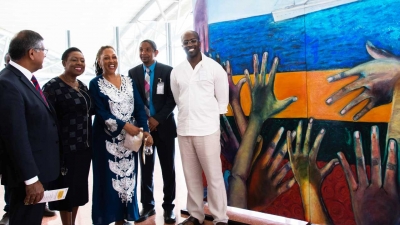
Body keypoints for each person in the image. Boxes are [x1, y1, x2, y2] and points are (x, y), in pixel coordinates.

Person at [0, 30, 60, 225]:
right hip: (27, 178)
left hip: (39, 169)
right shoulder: (8, 83)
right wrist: (31, 180)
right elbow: (15, 137)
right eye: (43, 50)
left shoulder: (25, 80)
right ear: (31, 52)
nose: (45, 54)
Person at [89, 45, 153, 225]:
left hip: (129, 142)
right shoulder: (95, 84)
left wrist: (145, 130)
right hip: (106, 141)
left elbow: (139, 108)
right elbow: (101, 113)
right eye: (106, 58)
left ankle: (124, 218)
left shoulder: (129, 81)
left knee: (128, 180)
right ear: (99, 61)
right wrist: (125, 125)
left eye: (114, 57)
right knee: (108, 181)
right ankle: (110, 217)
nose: (111, 61)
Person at [170, 30, 229, 225]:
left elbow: (222, 101)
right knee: (191, 176)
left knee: (214, 176)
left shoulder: (214, 68)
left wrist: (209, 119)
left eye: (193, 40)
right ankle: (196, 215)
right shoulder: (177, 71)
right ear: (182, 45)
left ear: (199, 42)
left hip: (207, 130)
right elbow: (178, 99)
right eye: (186, 41)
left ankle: (220, 218)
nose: (190, 44)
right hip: (185, 129)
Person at [42, 47, 93, 225]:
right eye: (74, 60)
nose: (79, 63)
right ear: (64, 63)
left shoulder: (83, 86)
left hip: (84, 148)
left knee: (78, 191)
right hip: (64, 150)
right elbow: (47, 120)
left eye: (82, 60)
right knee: (65, 191)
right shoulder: (52, 87)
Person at [128, 40, 177, 224]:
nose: (144, 53)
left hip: (164, 128)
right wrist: (145, 123)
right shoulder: (133, 73)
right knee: (145, 169)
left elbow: (172, 99)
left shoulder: (168, 71)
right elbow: (134, 100)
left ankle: (169, 207)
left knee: (168, 169)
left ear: (155, 52)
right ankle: (147, 205)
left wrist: (157, 119)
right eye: (141, 49)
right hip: (144, 130)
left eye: (148, 50)